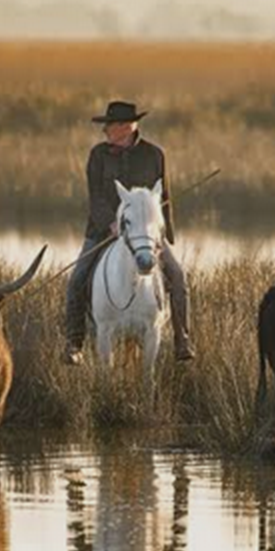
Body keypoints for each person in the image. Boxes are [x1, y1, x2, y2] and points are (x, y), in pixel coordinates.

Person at [64, 100, 195, 365]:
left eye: (109, 126)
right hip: (103, 230)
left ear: (126, 127)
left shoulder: (155, 154)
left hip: (147, 235)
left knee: (178, 277)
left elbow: (164, 196)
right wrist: (110, 224)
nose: (105, 132)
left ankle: (182, 340)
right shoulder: (98, 155)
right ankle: (74, 343)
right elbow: (96, 197)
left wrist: (166, 234)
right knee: (76, 279)